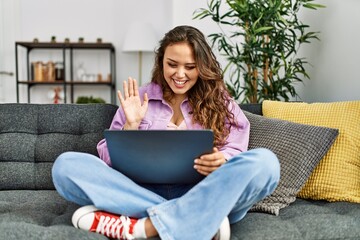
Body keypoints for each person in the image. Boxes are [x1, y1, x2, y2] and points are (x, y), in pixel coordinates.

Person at [52, 25, 280, 240]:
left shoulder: (220, 101)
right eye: (172, 64)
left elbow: (237, 150)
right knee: (66, 166)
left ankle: (144, 226)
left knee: (267, 163)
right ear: (161, 61)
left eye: (190, 67)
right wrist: (131, 125)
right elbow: (108, 159)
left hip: (204, 191)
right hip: (137, 189)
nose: (180, 74)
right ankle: (196, 220)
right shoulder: (139, 98)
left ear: (202, 66)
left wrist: (223, 159)